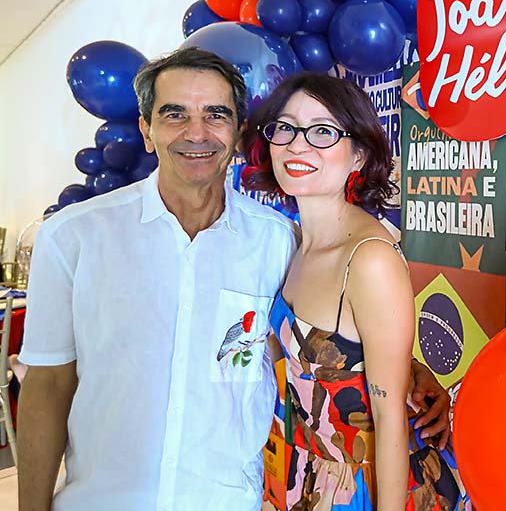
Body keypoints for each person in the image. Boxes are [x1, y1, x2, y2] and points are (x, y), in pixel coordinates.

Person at [17, 48, 451, 511]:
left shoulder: (277, 240)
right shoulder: (74, 236)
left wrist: (406, 375)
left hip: (238, 498)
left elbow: (346, 343)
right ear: (146, 129)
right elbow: (47, 383)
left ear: (238, 132)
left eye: (216, 114)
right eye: (174, 114)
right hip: (107, 500)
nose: (196, 132)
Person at [241, 72, 467, 511]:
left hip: (371, 486)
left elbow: (388, 417)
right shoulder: (293, 240)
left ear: (358, 155)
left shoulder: (369, 260)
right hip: (306, 474)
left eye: (323, 131)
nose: (298, 145)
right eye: (285, 128)